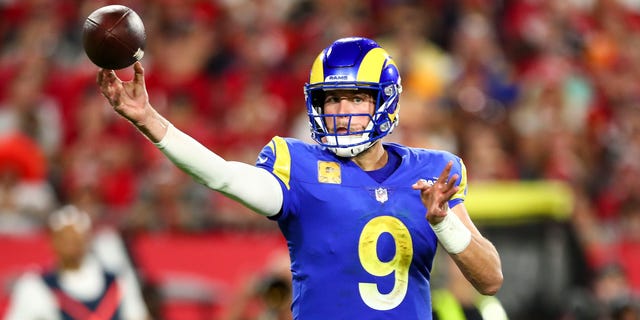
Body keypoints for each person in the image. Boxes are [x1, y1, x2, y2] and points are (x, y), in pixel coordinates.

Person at [96, 37, 503, 319]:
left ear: (385, 101)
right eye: (332, 99)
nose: (342, 111)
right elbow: (223, 177)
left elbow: (490, 280)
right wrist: (149, 119)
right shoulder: (297, 164)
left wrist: (444, 221)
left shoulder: (431, 172)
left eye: (356, 98)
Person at [4, 205, 150, 320]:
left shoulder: (118, 281)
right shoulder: (34, 285)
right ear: (52, 241)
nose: (70, 244)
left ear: (88, 240)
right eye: (64, 238)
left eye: (75, 239)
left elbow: (138, 316)